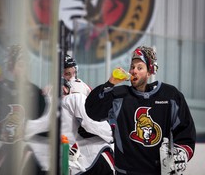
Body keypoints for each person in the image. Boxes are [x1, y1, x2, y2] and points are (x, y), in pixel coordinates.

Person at [84, 45, 196, 175]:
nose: (134, 71)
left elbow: (185, 132)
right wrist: (110, 83)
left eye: (139, 67)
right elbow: (92, 111)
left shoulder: (170, 96)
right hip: (126, 172)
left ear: (149, 72)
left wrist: (181, 152)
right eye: (132, 67)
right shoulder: (119, 96)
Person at [0, 44, 49, 175]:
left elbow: (45, 130)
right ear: (11, 67)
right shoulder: (3, 91)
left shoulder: (36, 92)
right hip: (10, 153)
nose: (25, 68)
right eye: (20, 64)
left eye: (26, 64)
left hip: (31, 155)